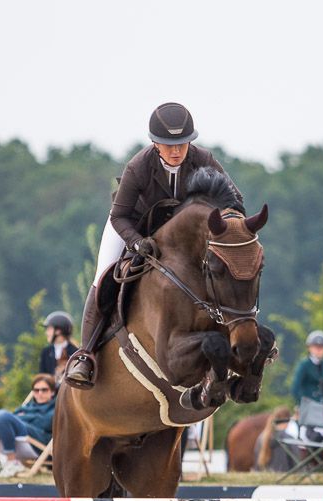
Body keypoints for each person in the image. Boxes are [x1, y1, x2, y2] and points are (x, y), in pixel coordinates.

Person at [64, 102, 244, 389]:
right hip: (134, 226)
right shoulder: (139, 166)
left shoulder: (204, 159)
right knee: (103, 277)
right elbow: (119, 216)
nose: (176, 151)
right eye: (169, 145)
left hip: (182, 236)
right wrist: (136, 243)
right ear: (155, 143)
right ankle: (86, 355)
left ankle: (242, 334)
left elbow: (236, 201)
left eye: (182, 143)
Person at [0, 374, 58, 478]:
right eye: (36, 390)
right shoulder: (27, 407)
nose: (40, 393)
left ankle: (12, 463)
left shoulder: (56, 408)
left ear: (52, 392)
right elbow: (12, 419)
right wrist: (25, 418)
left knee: (2, 416)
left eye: (44, 390)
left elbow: (44, 423)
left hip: (37, 442)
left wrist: (21, 417)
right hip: (18, 436)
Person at [290, 330, 323, 406]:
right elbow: (295, 388)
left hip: (321, 403)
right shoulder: (304, 364)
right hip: (306, 404)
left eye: (322, 347)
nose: (319, 350)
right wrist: (302, 403)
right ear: (309, 348)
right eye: (316, 347)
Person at [38, 311, 79, 385]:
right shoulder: (46, 352)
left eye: (49, 329)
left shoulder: (75, 352)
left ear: (58, 331)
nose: (46, 333)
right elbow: (42, 376)